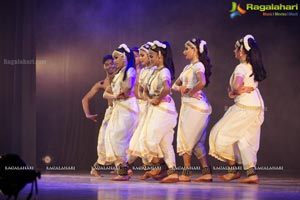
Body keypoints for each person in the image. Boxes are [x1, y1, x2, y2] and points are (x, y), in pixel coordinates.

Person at [209, 34, 266, 184]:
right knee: (243, 138)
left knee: (221, 132)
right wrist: (236, 91)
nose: (234, 50)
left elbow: (236, 85)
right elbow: (237, 88)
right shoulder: (251, 66)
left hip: (245, 107)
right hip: (256, 106)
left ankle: (233, 170)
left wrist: (236, 90)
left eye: (236, 48)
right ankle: (250, 174)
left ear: (242, 51)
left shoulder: (241, 67)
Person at [172, 38, 213, 182]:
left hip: (194, 107)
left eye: (186, 49)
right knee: (196, 142)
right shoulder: (187, 68)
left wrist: (191, 92)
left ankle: (186, 173)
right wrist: (181, 88)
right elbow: (174, 86)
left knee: (186, 138)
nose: (184, 52)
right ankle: (206, 173)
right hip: (189, 106)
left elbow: (202, 82)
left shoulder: (198, 66)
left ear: (194, 50)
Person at [139, 40, 179, 183]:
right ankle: (172, 172)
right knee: (165, 143)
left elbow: (167, 88)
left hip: (164, 110)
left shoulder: (164, 71)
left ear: (160, 55)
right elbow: (144, 91)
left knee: (150, 138)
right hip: (155, 109)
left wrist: (157, 98)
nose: (150, 59)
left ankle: (157, 167)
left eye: (151, 56)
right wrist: (150, 98)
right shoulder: (154, 71)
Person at [103, 44, 139, 181]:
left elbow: (128, 88)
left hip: (128, 109)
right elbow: (106, 94)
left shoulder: (130, 70)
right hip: (119, 108)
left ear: (124, 58)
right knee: (111, 137)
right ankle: (123, 170)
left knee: (119, 138)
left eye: (117, 58)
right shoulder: (118, 74)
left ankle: (124, 171)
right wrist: (116, 95)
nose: (114, 61)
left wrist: (120, 93)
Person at [81, 55, 116, 177]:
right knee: (103, 140)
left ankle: (122, 166)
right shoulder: (102, 83)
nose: (110, 65)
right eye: (107, 64)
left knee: (124, 139)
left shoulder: (124, 78)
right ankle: (96, 168)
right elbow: (85, 99)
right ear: (104, 67)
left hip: (126, 111)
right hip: (111, 112)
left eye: (112, 63)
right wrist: (87, 114)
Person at [127, 42, 156, 170]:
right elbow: (138, 90)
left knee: (144, 136)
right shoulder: (143, 71)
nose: (141, 58)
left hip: (151, 107)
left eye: (142, 55)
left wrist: (148, 97)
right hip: (141, 106)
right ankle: (147, 167)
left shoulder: (156, 70)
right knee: (138, 136)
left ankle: (128, 165)